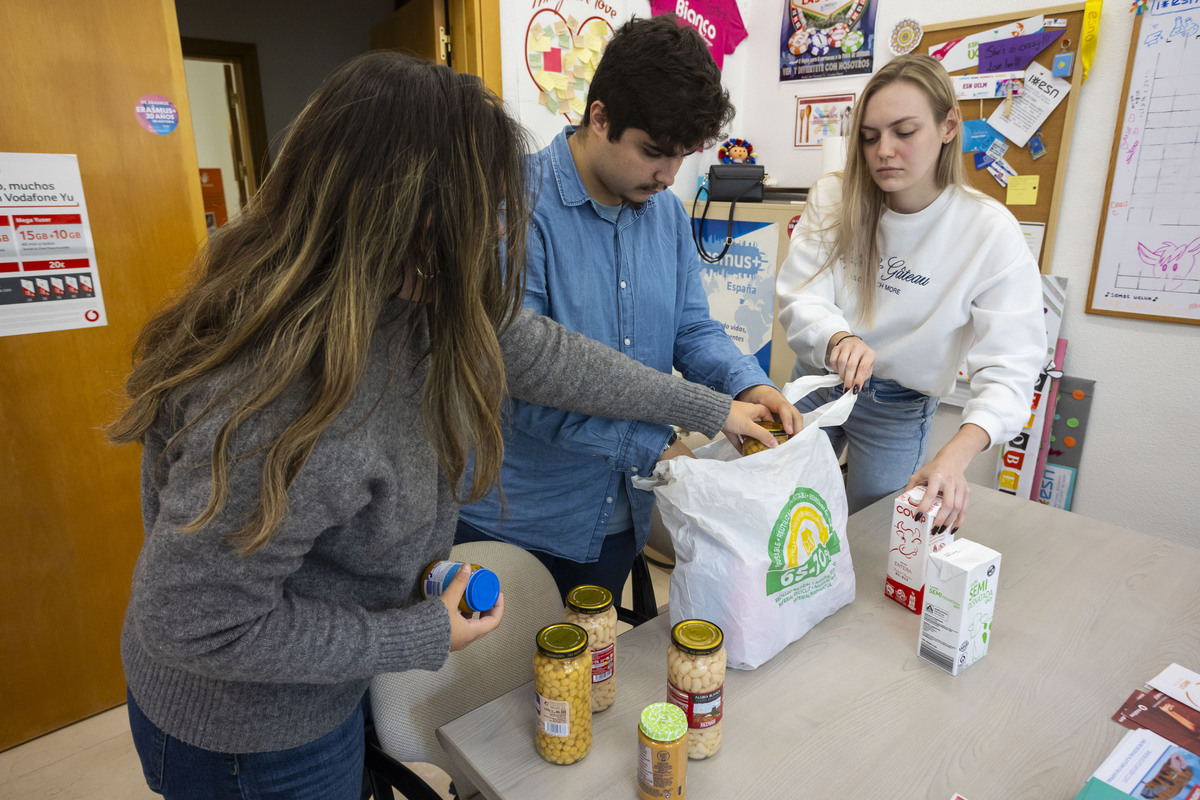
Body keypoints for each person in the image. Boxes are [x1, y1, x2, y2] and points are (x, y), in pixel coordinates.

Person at [108, 51, 779, 800]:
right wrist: (416, 634)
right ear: (399, 209)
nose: (497, 228)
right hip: (247, 734)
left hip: (313, 688)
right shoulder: (283, 397)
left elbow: (541, 354)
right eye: (483, 207)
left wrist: (709, 405)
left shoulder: (412, 292)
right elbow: (197, 624)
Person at [456, 15, 802, 604]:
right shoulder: (516, 202)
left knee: (590, 682)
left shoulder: (664, 213)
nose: (667, 175)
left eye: (681, 157)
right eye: (652, 153)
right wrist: (653, 443)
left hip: (622, 514)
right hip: (520, 519)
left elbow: (691, 329)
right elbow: (515, 380)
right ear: (600, 117)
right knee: (506, 689)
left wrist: (745, 385)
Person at [776, 53, 1044, 534]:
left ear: (947, 126)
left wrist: (955, 455)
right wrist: (837, 339)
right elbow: (801, 294)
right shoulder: (835, 196)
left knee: (875, 535)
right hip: (820, 379)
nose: (883, 151)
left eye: (904, 132)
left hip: (898, 410)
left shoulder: (987, 231)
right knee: (777, 508)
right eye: (870, 136)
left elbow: (1013, 364)